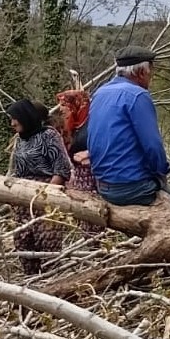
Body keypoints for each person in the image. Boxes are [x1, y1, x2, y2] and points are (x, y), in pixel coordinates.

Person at [88, 45, 170, 214]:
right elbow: (153, 145)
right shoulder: (137, 95)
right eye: (150, 72)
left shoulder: (100, 93)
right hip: (132, 187)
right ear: (141, 73)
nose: (151, 77)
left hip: (103, 185)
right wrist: (162, 173)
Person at [7, 98, 72, 275]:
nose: (12, 123)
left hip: (45, 198)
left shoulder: (48, 135)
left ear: (26, 117)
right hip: (22, 199)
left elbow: (62, 168)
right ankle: (31, 288)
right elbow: (16, 171)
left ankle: (54, 289)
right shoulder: (20, 140)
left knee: (48, 247)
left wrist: (45, 197)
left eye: (15, 119)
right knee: (23, 244)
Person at [56, 87, 101, 235]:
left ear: (76, 104)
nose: (61, 109)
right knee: (85, 227)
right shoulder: (72, 126)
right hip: (79, 181)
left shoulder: (93, 124)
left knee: (96, 222)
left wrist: (90, 154)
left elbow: (105, 147)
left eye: (64, 105)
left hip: (94, 180)